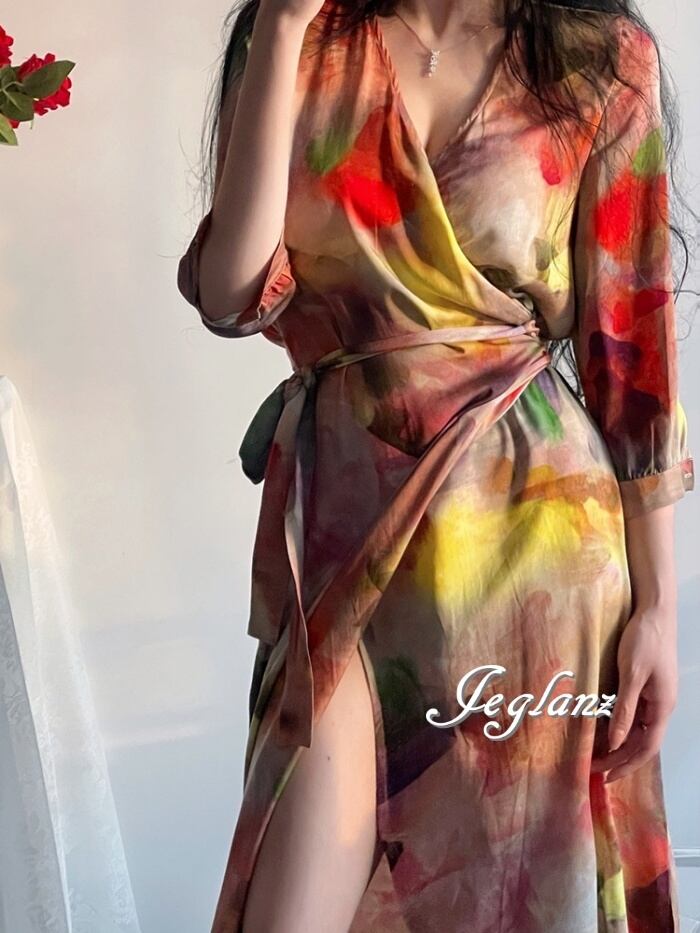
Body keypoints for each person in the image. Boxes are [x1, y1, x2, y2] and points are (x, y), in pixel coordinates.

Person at [176, 0, 696, 930]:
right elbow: (232, 294)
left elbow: (632, 355)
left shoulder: (599, 59)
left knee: (511, 898)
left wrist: (660, 605)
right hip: (344, 539)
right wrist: (285, 23)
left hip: (534, 540)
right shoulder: (303, 37)